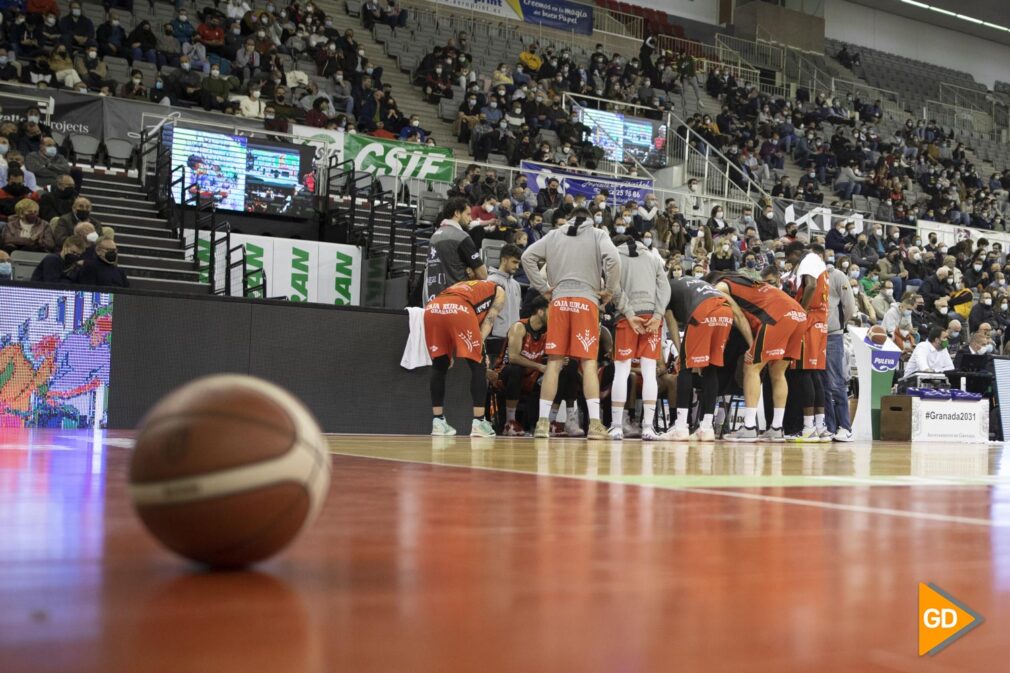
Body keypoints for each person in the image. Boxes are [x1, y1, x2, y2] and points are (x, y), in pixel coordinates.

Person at [522, 207, 622, 440]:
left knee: (554, 363)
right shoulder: (598, 234)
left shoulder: (554, 234)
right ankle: (595, 424)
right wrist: (609, 290)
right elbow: (614, 260)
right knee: (588, 363)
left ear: (569, 219)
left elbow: (527, 257)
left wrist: (542, 287)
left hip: (558, 303)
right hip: (585, 302)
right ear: (589, 218)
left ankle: (542, 423)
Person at [710, 271, 808, 442]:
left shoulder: (720, 287)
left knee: (751, 367)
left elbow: (739, 317)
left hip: (777, 316)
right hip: (799, 314)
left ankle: (749, 427)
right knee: (778, 373)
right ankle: (777, 428)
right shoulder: (749, 281)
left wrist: (750, 346)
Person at [663, 275, 752, 441]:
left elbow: (671, 321)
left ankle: (681, 427)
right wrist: (752, 345)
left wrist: (681, 351)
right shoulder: (707, 286)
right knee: (711, 368)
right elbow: (739, 315)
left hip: (702, 311)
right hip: (725, 313)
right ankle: (706, 427)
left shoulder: (667, 288)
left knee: (685, 368)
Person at [424, 279, 506, 437]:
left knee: (439, 365)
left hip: (433, 307)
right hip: (459, 308)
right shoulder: (500, 292)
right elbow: (488, 321)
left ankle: (438, 421)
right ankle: (479, 422)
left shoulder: (468, 286)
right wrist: (480, 349)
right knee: (478, 365)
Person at [608, 235, 670, 441]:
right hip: (652, 316)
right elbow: (665, 287)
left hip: (628, 318)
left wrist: (628, 313)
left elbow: (614, 288)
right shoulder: (653, 256)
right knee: (650, 371)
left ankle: (616, 426)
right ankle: (648, 428)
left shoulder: (615, 255)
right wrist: (658, 315)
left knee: (622, 370)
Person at [783, 241, 830, 441]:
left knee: (803, 372)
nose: (790, 263)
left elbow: (810, 285)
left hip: (810, 319)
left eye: (790, 259)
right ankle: (820, 426)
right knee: (815, 374)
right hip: (821, 321)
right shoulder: (818, 262)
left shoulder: (807, 260)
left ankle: (808, 426)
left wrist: (800, 311)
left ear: (795, 254)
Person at [423, 197, 487, 304]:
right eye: (467, 214)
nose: (470, 219)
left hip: (434, 302)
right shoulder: (461, 237)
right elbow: (483, 275)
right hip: (456, 302)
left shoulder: (434, 237)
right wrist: (471, 271)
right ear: (457, 213)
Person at [822, 255, 856, 442]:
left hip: (833, 335)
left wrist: (837, 325)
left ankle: (845, 426)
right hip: (816, 334)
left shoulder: (838, 276)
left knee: (835, 380)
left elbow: (849, 306)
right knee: (823, 383)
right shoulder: (812, 276)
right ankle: (830, 425)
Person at [486, 243, 522, 364]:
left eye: (518, 263)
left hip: (513, 340)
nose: (517, 266)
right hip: (495, 338)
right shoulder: (490, 281)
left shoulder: (516, 285)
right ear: (504, 260)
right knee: (492, 378)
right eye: (514, 262)